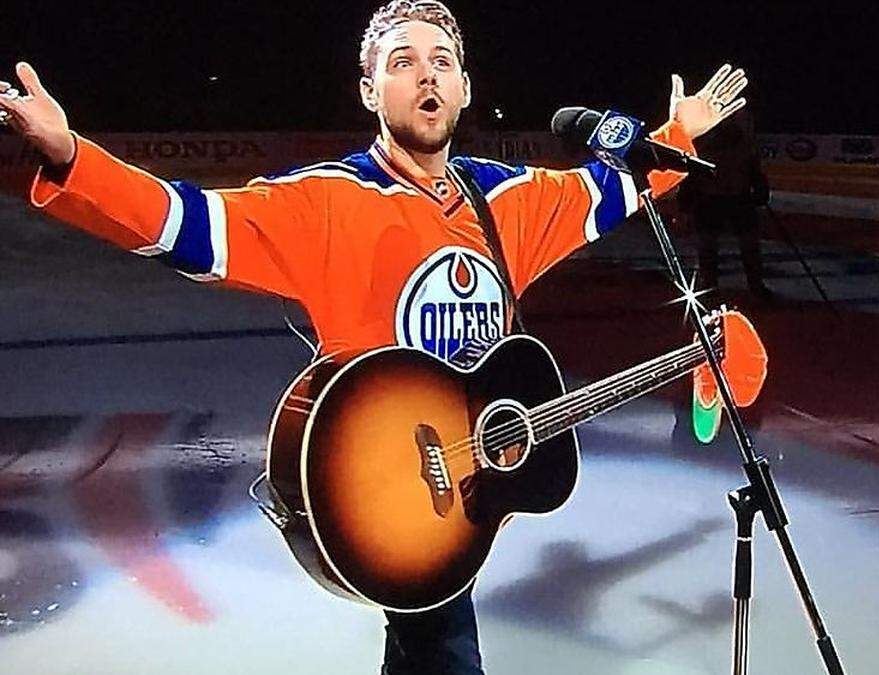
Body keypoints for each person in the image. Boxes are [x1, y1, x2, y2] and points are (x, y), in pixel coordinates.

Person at [0, 2, 749, 673]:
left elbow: (609, 189)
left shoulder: (508, 200)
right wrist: (73, 160)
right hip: (382, 480)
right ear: (369, 91)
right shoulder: (330, 201)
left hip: (471, 482)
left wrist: (676, 136)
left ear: (463, 89)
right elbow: (189, 225)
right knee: (445, 643)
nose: (426, 75)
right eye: (402, 62)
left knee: (424, 630)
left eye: (441, 62)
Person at [677, 107, 771, 298]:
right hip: (711, 196)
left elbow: (752, 165)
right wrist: (686, 201)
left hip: (737, 194)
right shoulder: (704, 133)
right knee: (708, 244)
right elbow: (692, 170)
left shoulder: (743, 132)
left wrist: (760, 187)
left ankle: (754, 284)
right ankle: (710, 286)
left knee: (747, 243)